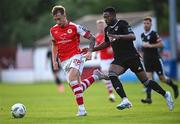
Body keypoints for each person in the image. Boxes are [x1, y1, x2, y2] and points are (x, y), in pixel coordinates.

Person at [91, 7, 174, 111]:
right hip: (119, 59)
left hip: (131, 57)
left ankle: (166, 94)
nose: (105, 19)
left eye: (107, 17)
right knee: (112, 74)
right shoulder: (107, 29)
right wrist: (92, 49)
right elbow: (107, 43)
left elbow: (132, 36)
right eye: (104, 17)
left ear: (113, 16)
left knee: (146, 82)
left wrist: (119, 36)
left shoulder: (122, 23)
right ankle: (125, 100)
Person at [50, 5, 106, 116]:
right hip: (64, 61)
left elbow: (92, 38)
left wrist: (90, 52)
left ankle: (82, 110)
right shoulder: (53, 30)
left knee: (72, 78)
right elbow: (54, 45)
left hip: (76, 56)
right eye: (55, 19)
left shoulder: (75, 27)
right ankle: (96, 76)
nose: (58, 21)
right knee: (77, 88)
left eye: (59, 18)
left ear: (64, 16)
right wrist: (54, 61)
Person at [140, 17, 179, 104]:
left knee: (162, 79)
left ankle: (174, 86)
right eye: (144, 23)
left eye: (147, 23)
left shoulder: (154, 34)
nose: (145, 25)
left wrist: (150, 45)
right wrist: (142, 55)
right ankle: (148, 98)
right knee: (148, 79)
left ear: (151, 24)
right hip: (147, 60)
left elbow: (161, 44)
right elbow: (144, 47)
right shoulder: (142, 35)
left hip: (156, 60)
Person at [95, 19, 115, 102]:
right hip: (103, 60)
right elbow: (97, 46)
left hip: (112, 58)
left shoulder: (109, 34)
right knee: (105, 75)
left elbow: (115, 42)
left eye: (102, 25)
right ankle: (111, 94)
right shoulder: (97, 36)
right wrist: (95, 54)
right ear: (97, 27)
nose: (100, 27)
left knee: (113, 76)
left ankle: (113, 92)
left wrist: (112, 48)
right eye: (99, 25)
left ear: (104, 25)